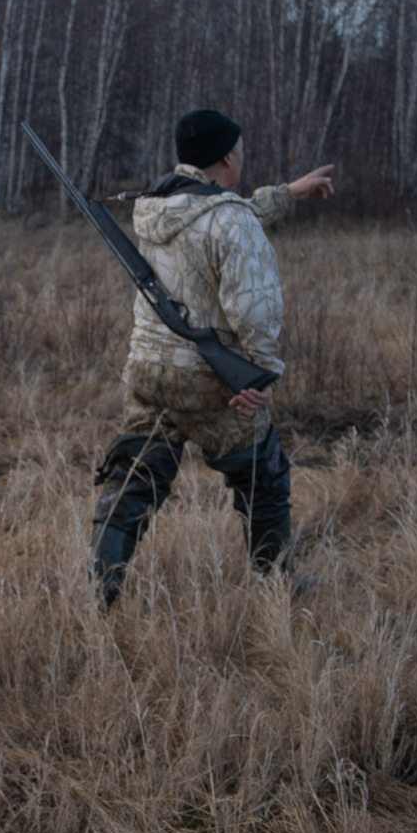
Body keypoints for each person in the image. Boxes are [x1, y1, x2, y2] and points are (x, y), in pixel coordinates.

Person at [88, 108, 336, 603]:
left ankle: (102, 589)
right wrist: (261, 375)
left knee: (134, 476)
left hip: (148, 371)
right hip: (211, 380)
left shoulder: (155, 207)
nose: (243, 155)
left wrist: (287, 193)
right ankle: (275, 585)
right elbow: (255, 311)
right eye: (240, 149)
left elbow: (221, 215)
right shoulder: (229, 221)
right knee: (264, 475)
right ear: (226, 158)